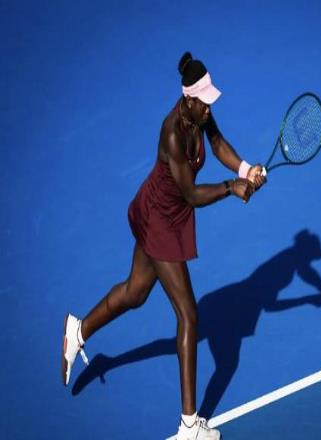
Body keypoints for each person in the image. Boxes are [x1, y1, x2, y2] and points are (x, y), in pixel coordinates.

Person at [61, 51, 266, 440]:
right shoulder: (172, 132)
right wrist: (231, 187)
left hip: (164, 212)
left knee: (136, 292)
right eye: (203, 101)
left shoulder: (199, 115)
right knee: (189, 315)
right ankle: (189, 426)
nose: (209, 108)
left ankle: (79, 330)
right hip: (159, 218)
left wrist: (244, 170)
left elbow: (217, 142)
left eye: (210, 101)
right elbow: (190, 194)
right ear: (188, 99)